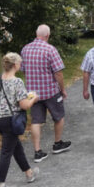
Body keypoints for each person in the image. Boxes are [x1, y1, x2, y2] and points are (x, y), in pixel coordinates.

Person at [0, 53, 39, 187]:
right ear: (15, 65)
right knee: (6, 152)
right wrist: (33, 98)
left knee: (15, 146)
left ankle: (29, 173)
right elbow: (24, 105)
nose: (20, 65)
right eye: (20, 63)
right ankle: (0, 185)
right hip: (10, 119)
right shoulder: (17, 82)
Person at [20, 25, 71, 162]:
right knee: (58, 116)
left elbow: (23, 70)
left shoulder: (25, 49)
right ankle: (57, 143)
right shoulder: (50, 50)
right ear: (47, 35)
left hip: (33, 94)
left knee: (36, 121)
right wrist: (62, 89)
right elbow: (58, 73)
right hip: (50, 91)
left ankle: (37, 151)